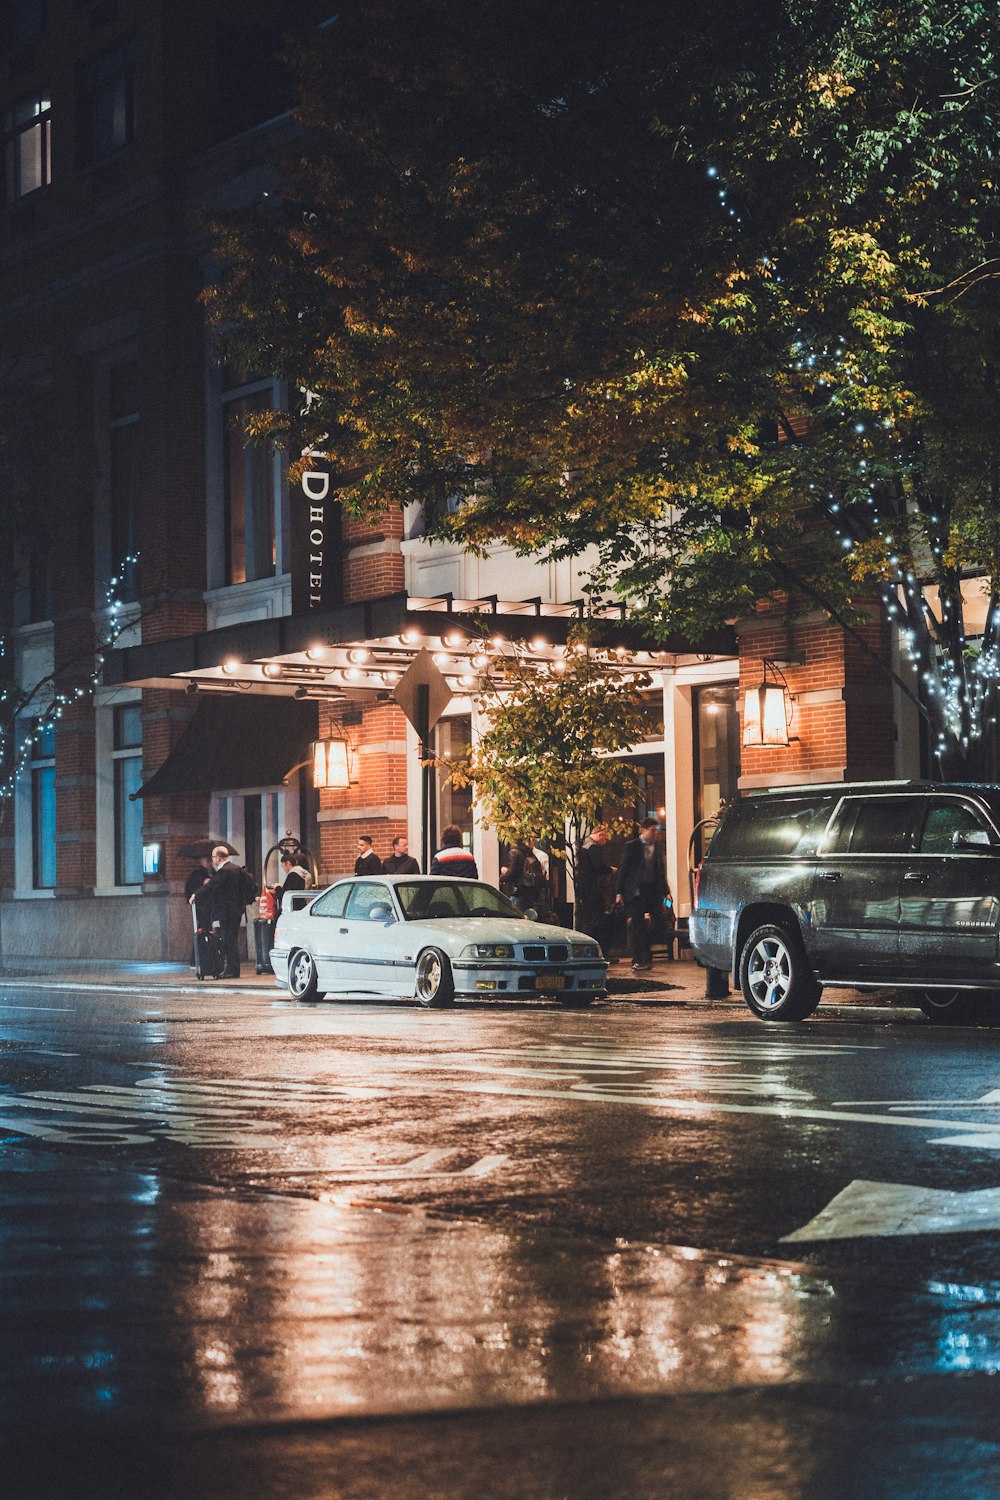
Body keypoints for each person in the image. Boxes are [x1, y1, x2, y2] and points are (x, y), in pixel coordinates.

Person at [615, 817, 670, 972]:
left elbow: (661, 871)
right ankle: (639, 958)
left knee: (660, 923)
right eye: (652, 831)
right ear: (644, 830)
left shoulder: (657, 848)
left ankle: (645, 951)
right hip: (636, 891)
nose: (655, 834)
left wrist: (666, 892)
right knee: (638, 925)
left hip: (653, 890)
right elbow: (624, 870)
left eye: (657, 831)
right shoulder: (632, 846)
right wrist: (619, 892)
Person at [201, 844, 246, 979]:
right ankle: (234, 969)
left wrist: (196, 895)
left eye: (213, 857)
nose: (212, 860)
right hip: (236, 910)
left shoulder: (224, 871)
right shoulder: (237, 869)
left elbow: (212, 886)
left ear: (219, 858)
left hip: (227, 912)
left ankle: (231, 969)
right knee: (232, 939)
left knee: (228, 940)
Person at [575, 826, 613, 946]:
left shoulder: (583, 846)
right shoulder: (593, 847)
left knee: (588, 918)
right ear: (600, 835)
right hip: (593, 889)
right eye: (604, 838)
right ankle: (599, 948)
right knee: (596, 919)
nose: (605, 842)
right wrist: (610, 869)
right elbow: (598, 867)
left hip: (585, 888)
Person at [500, 837, 546, 912]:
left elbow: (512, 872)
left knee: (514, 914)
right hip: (530, 891)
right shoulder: (529, 852)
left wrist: (502, 877)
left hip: (519, 890)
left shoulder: (514, 852)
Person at [184, 857, 213, 966]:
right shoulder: (197, 875)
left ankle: (207, 957)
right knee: (202, 932)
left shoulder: (212, 873)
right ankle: (198, 959)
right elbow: (191, 891)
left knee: (206, 932)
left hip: (208, 907)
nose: (210, 862)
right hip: (203, 908)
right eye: (208, 860)